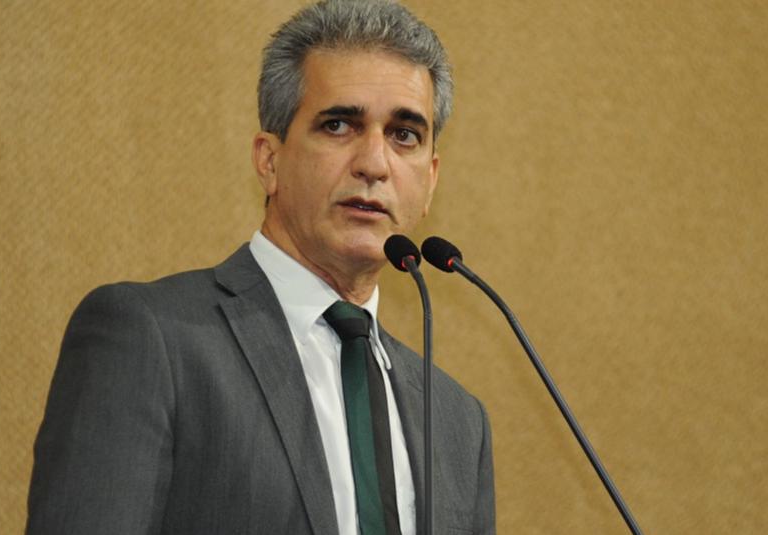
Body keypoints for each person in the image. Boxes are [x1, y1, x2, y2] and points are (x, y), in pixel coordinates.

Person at [26, 1, 495, 534]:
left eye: (404, 135)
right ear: (269, 161)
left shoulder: (458, 422)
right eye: (339, 125)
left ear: (430, 181)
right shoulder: (152, 339)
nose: (374, 163)